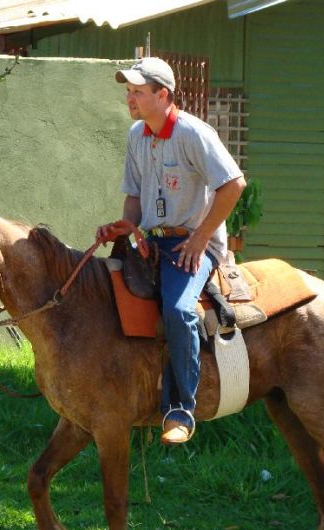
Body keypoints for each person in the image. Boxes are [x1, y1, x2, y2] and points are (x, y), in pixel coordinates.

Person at [98, 57, 246, 445]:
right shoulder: (136, 135)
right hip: (151, 242)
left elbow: (234, 185)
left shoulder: (194, 134)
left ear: (162, 95)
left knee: (179, 311)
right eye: (128, 92)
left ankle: (181, 410)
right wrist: (128, 229)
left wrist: (200, 239)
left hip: (191, 244)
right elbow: (133, 195)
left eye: (138, 92)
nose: (130, 98)